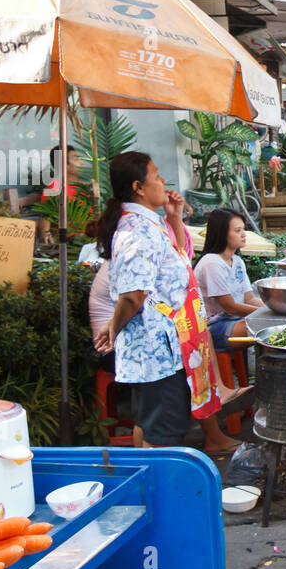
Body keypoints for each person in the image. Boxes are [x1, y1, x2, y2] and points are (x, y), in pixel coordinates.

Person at [94, 152, 223, 450]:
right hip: (158, 351)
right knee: (162, 430)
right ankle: (158, 491)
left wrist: (174, 216)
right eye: (156, 175)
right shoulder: (136, 230)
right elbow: (133, 294)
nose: (163, 180)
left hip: (166, 347)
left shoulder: (149, 224)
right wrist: (113, 326)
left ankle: (149, 487)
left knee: (150, 422)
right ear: (138, 187)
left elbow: (177, 260)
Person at [194, 207, 263, 350]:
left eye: (243, 230)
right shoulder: (211, 263)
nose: (244, 235)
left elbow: (249, 298)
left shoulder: (237, 261)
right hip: (213, 328)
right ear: (222, 233)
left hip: (235, 320)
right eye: (238, 231)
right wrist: (268, 314)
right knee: (267, 328)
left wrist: (273, 309)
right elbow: (230, 307)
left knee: (274, 324)